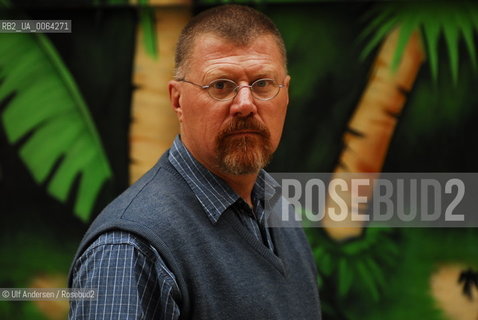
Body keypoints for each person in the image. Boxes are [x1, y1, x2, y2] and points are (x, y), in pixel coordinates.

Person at [69, 4, 321, 319]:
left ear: (286, 92)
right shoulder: (130, 250)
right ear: (177, 100)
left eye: (262, 84)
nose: (245, 104)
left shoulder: (278, 210)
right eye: (220, 85)